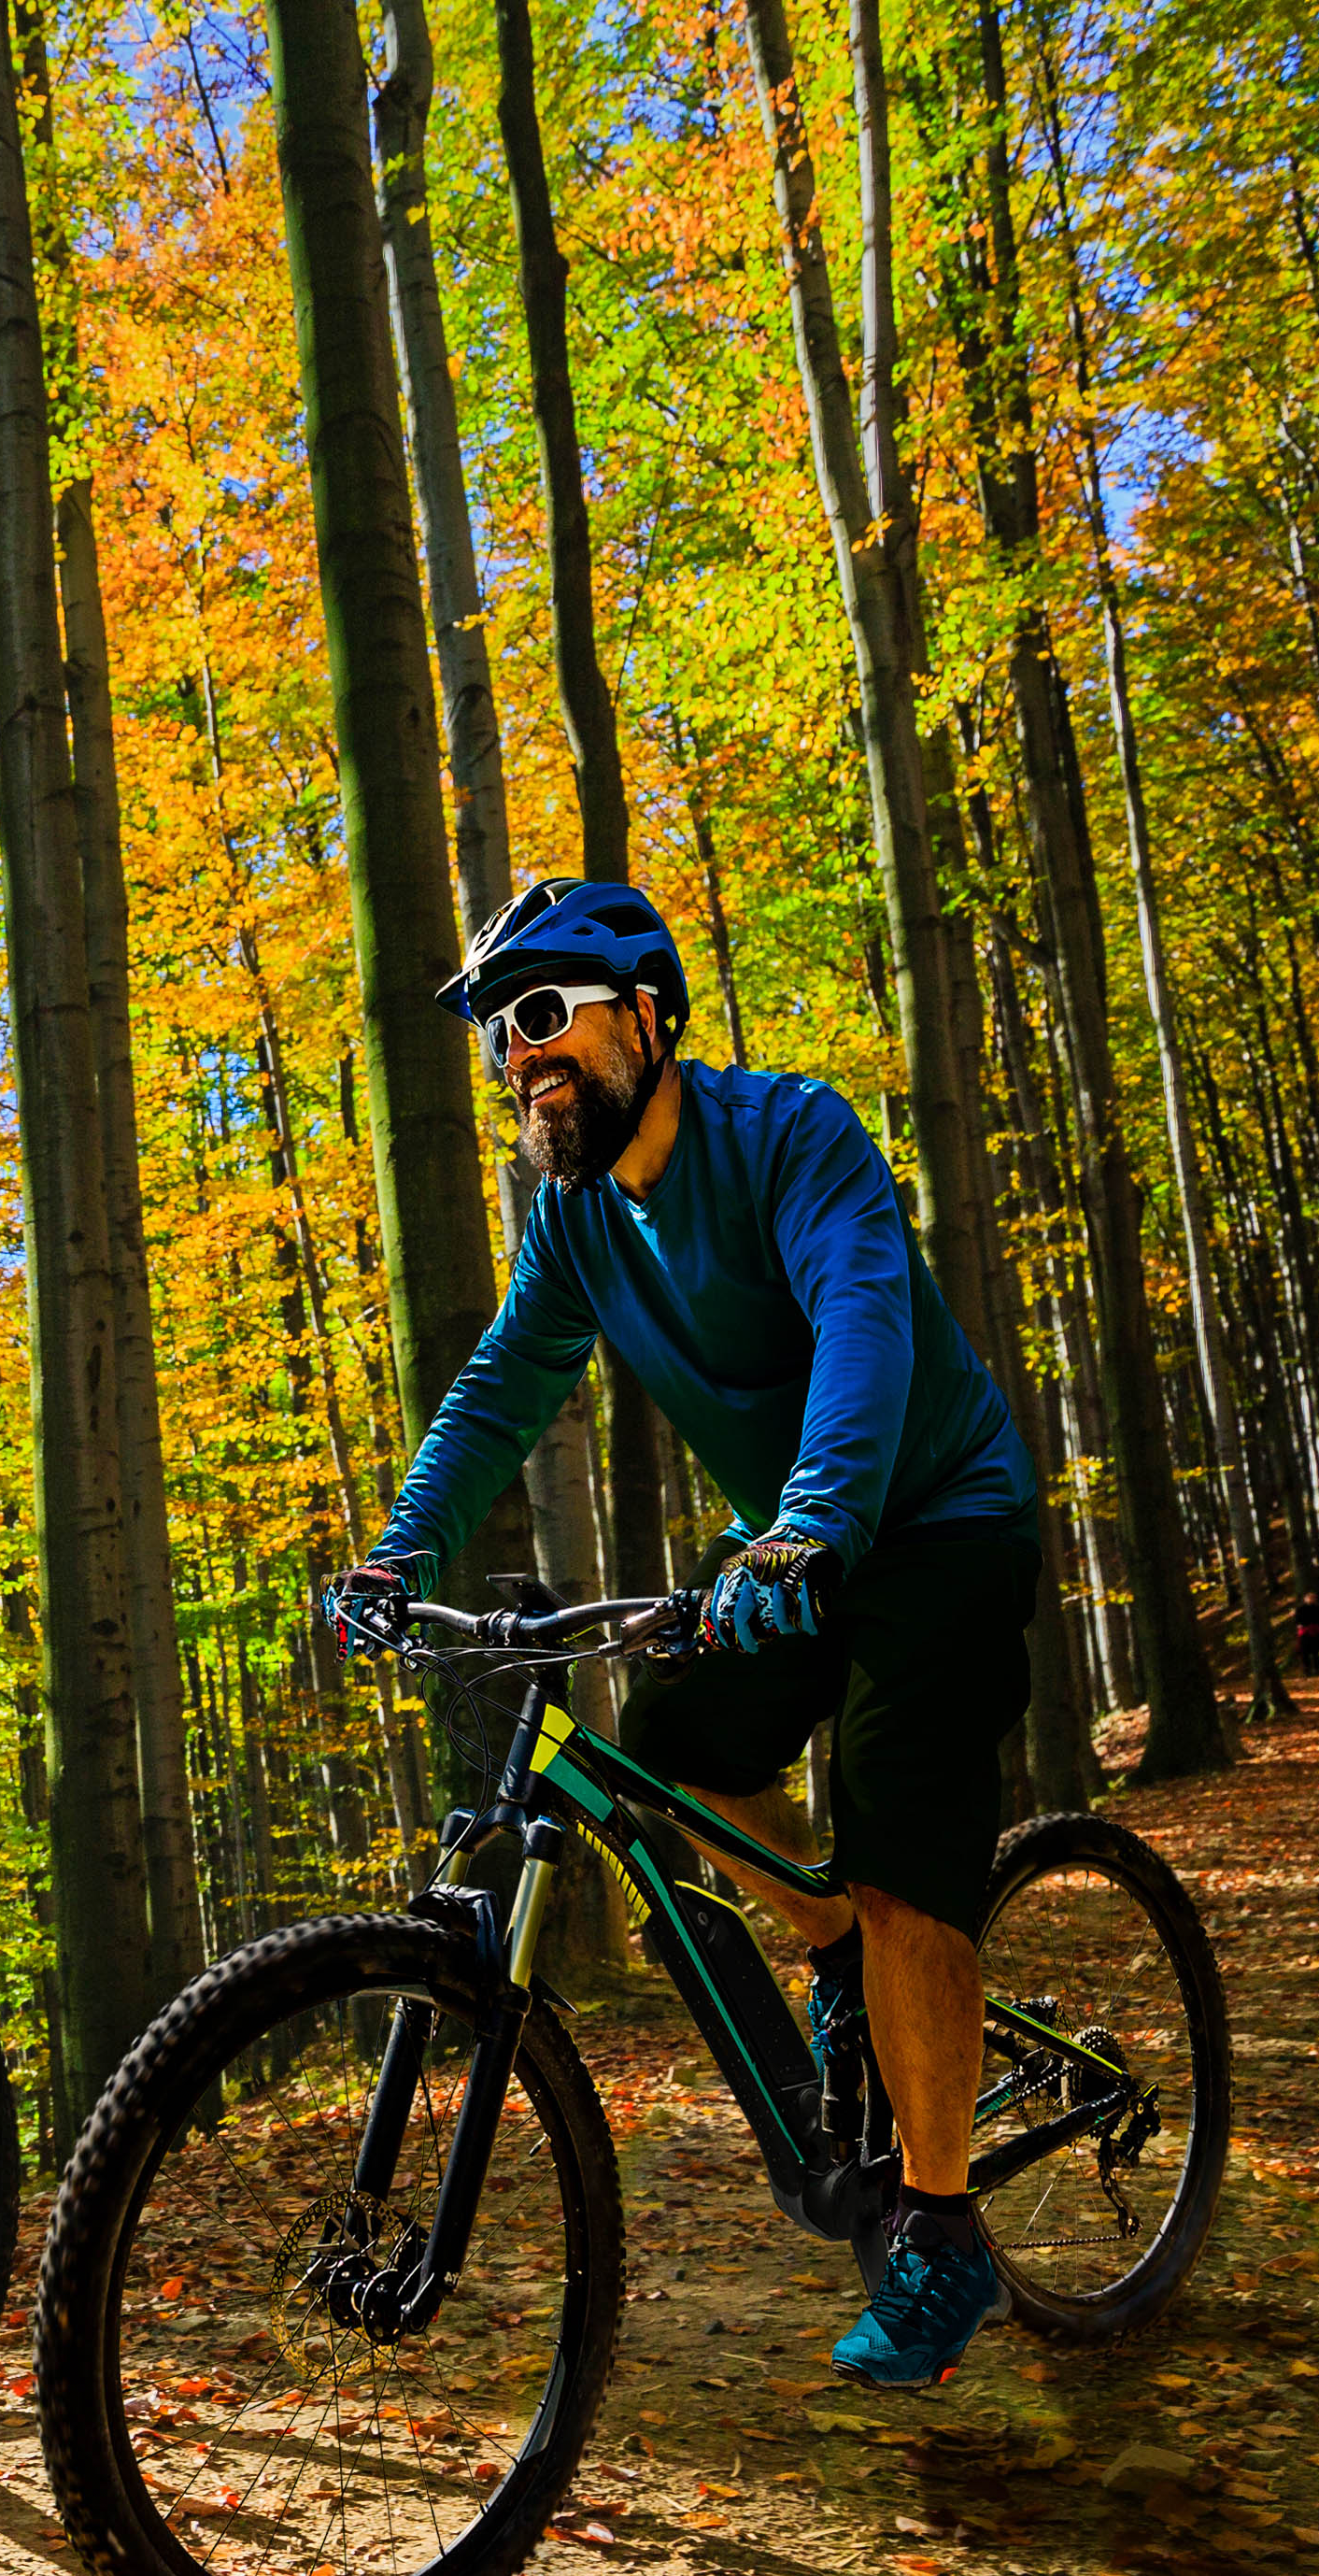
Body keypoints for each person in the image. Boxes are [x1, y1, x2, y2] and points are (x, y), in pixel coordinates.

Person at [322, 877, 1044, 2392]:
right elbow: (501, 1390)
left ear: (648, 1012)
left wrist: (810, 1524)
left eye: (547, 1015)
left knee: (904, 1819)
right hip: (794, 1540)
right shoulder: (577, 1224)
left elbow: (865, 1317)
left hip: (934, 1511)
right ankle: (838, 1945)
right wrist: (402, 1551)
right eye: (497, 1036)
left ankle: (941, 2228)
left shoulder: (792, 1135)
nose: (521, 1055)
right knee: (663, 1748)